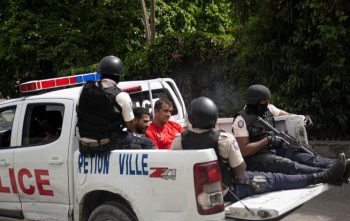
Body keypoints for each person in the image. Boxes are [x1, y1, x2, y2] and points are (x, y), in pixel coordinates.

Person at [172, 96, 346, 202]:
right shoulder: (224, 138)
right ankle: (323, 176)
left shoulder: (179, 141)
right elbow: (240, 172)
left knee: (297, 158)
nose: (266, 103)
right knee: (276, 178)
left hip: (196, 190)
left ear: (191, 118)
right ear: (213, 118)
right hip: (229, 189)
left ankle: (335, 169)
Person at [232, 84, 350, 184]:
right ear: (254, 101)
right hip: (255, 158)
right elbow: (244, 151)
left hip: (273, 150)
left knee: (303, 156)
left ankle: (340, 166)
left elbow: (290, 117)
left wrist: (303, 119)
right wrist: (267, 140)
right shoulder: (241, 120)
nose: (266, 103)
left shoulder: (269, 109)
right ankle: (328, 174)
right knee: (287, 164)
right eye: (263, 101)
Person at [77, 55, 137, 155]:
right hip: (105, 146)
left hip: (84, 147)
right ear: (118, 76)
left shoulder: (85, 88)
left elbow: (78, 110)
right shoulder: (121, 96)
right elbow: (130, 126)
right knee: (146, 143)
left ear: (100, 73)